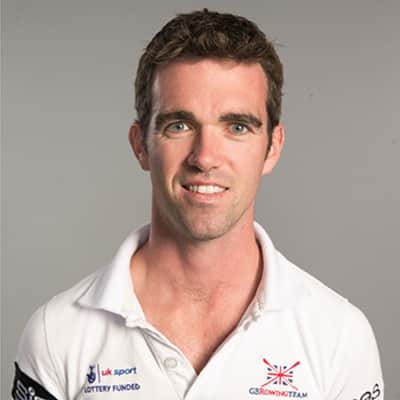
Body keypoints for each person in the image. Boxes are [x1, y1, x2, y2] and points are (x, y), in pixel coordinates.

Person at [12, 9, 384, 400]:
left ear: (272, 147)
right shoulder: (57, 335)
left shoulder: (339, 337)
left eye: (237, 127)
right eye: (179, 125)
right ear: (141, 145)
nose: (205, 157)